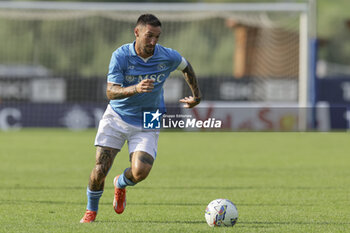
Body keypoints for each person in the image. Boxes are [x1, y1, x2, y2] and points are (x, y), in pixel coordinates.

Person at [80, 14, 201, 223]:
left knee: (141, 172)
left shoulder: (167, 56)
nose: (153, 41)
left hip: (150, 116)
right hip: (117, 116)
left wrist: (196, 96)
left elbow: (186, 67)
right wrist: (135, 88)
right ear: (137, 32)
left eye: (157, 37)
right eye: (149, 36)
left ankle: (121, 183)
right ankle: (91, 212)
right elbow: (110, 92)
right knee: (100, 169)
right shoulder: (120, 56)